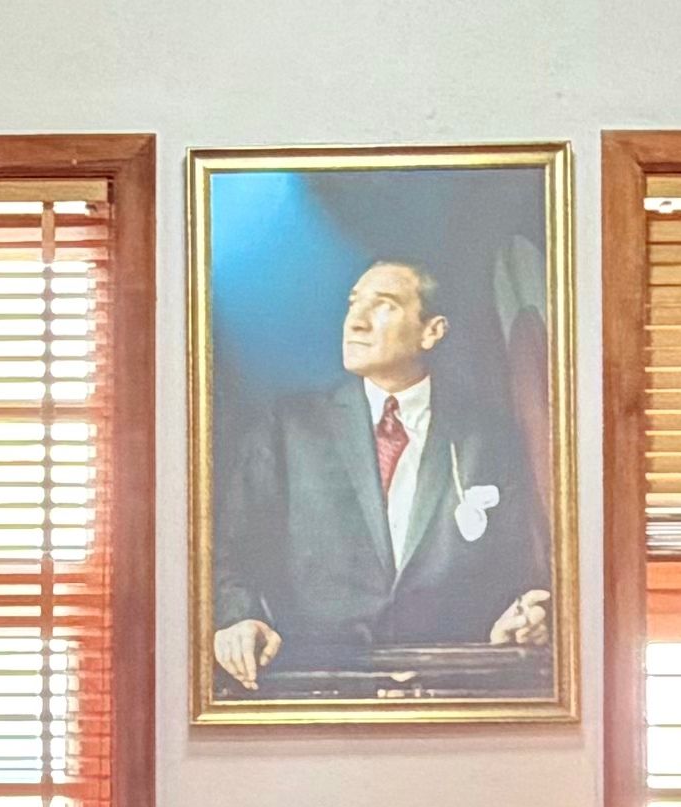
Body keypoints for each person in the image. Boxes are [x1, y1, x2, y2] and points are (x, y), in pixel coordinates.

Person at [205, 253, 554, 692]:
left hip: (450, 690)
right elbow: (230, 554)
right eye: (354, 304)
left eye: (384, 304)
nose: (356, 322)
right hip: (316, 690)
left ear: (432, 331)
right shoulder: (287, 429)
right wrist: (240, 619)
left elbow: (516, 571)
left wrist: (515, 619)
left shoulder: (487, 438)